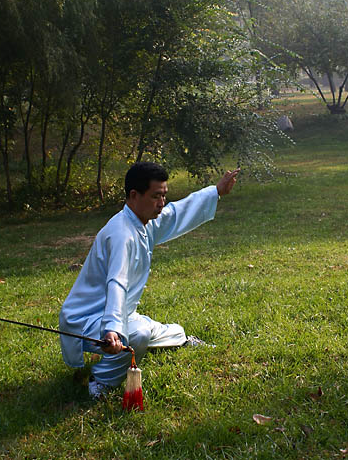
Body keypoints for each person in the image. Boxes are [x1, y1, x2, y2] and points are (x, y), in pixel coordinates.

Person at [58, 162, 240, 398]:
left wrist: (215, 191)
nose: (161, 203)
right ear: (134, 195)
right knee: (139, 334)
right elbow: (117, 283)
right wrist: (112, 329)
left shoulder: (143, 221)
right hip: (87, 320)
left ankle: (181, 339)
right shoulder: (122, 234)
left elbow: (176, 213)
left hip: (121, 313)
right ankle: (101, 380)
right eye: (156, 196)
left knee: (165, 332)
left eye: (163, 196)